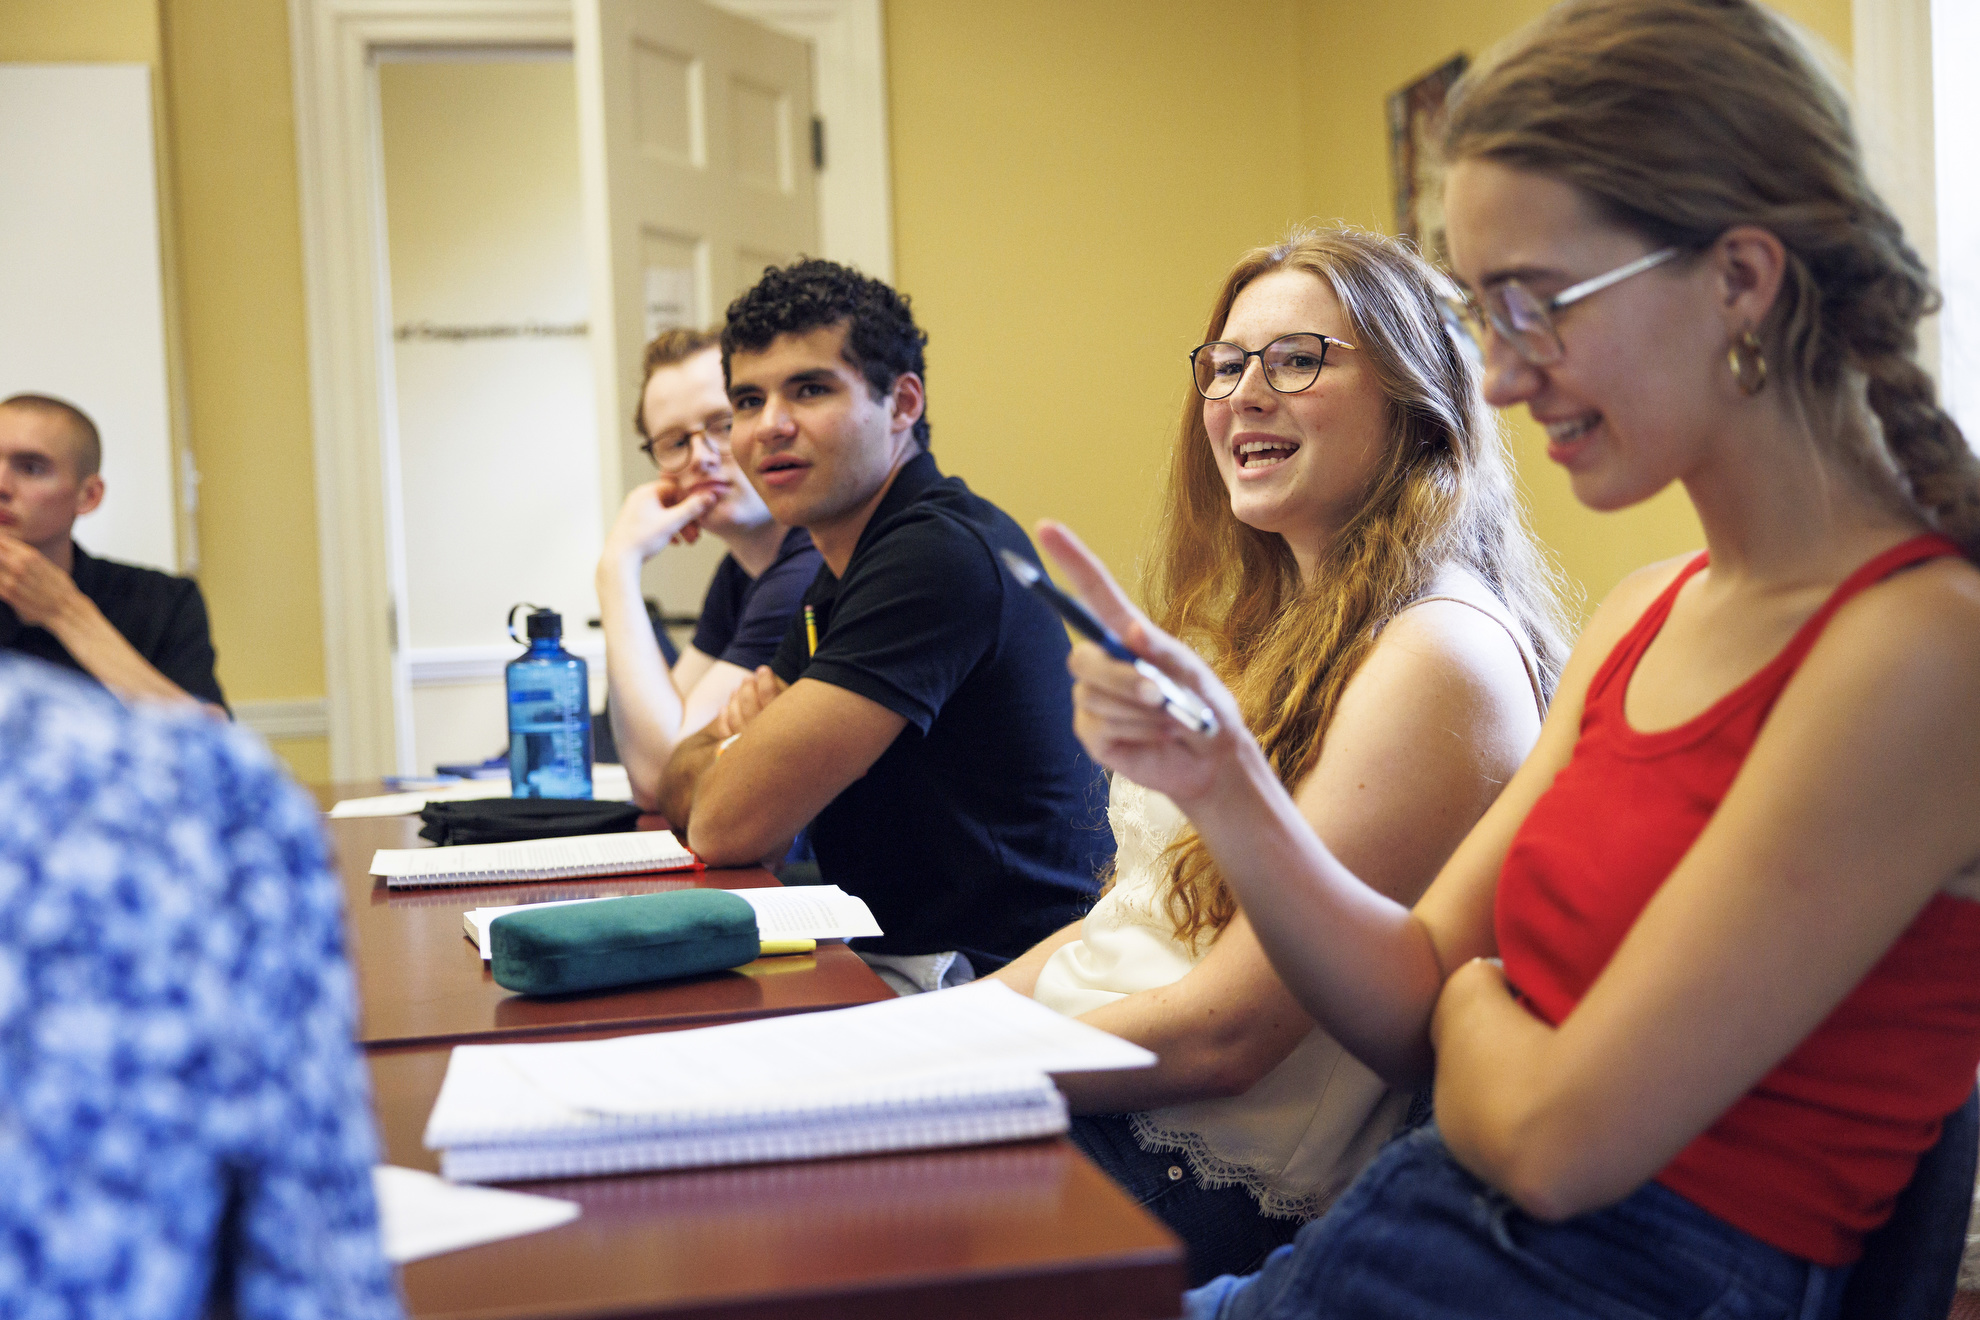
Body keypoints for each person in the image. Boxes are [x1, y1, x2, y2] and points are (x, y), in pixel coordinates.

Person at [1045, 2, 1980, 1316]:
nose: (1495, 379)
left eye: (1538, 305)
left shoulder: (1923, 647)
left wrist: (1472, 1004)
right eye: (1487, 315)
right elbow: (1401, 995)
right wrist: (1222, 784)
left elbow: (1553, 1143)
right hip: (1426, 1233)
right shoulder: (1647, 612)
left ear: (1741, 278)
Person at [988, 227, 1568, 1284]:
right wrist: (938, 1027)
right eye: (1224, 363)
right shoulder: (1270, 623)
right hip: (1105, 1084)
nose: (1244, 393)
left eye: (1296, 358)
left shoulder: (1437, 648)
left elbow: (1233, 1035)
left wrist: (950, 1069)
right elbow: (1127, 926)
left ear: (1416, 399)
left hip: (1198, 1162)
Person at [660, 258, 1113, 993]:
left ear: (902, 403)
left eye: (809, 389)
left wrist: (732, 760)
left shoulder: (933, 556)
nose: (769, 425)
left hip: (999, 986)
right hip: (896, 961)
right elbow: (688, 788)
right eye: (747, 399)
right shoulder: (838, 569)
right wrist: (730, 760)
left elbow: (724, 823)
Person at [0, 652, 399, 1317]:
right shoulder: (199, 792)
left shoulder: (155, 619)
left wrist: (62, 608)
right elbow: (311, 1271)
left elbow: (205, 718)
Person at [596, 327, 821, 811]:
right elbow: (652, 750)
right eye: (675, 441)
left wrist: (617, 568)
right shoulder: (738, 574)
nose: (700, 458)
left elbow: (660, 775)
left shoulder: (808, 570)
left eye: (721, 424)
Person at [0, 392, 226, 709]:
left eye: (32, 468)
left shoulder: (163, 601)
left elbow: (210, 745)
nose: (2, 485)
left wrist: (64, 612)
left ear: (88, 496)